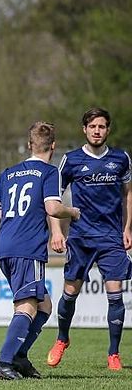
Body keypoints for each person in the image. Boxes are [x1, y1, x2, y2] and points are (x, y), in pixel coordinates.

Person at [0, 122, 80, 379]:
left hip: (5, 245)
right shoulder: (50, 172)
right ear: (53, 146)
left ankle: (19, 356)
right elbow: (53, 208)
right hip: (27, 247)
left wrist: (15, 218)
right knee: (27, 306)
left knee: (44, 305)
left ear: (29, 145)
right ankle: (4, 362)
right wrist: (72, 212)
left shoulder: (9, 172)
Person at [47, 108, 132, 371]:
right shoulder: (71, 160)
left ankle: (113, 354)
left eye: (102, 126)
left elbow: (129, 193)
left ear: (108, 129)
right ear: (84, 129)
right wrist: (57, 231)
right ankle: (62, 339)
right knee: (70, 293)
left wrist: (128, 228)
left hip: (111, 238)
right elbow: (52, 199)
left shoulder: (121, 158)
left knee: (115, 295)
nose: (97, 131)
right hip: (81, 237)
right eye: (92, 126)